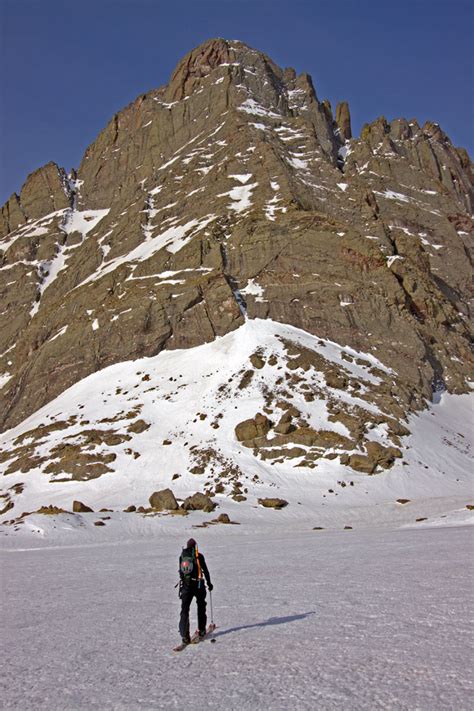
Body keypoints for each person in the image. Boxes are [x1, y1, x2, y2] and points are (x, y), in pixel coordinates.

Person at [178, 538, 213, 645]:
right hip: (198, 585)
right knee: (201, 606)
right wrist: (209, 583)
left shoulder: (182, 557)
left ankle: (185, 636)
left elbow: (181, 572)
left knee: (184, 610)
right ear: (195, 547)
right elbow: (205, 571)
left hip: (186, 586)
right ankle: (202, 630)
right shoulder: (199, 556)